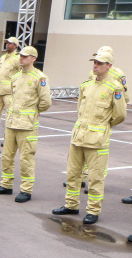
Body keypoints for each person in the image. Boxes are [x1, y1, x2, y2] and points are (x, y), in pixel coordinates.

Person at [52, 52, 127, 225]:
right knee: (73, 173)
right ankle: (71, 205)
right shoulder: (86, 85)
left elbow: (120, 115)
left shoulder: (114, 88)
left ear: (109, 66)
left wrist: (103, 127)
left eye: (100, 63)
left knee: (95, 177)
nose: (95, 65)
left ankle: (93, 211)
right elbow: (80, 109)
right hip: (78, 137)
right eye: (94, 62)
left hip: (97, 140)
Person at [0, 46, 50, 202]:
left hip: (27, 125)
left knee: (26, 159)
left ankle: (26, 190)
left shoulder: (39, 77)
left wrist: (34, 111)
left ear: (33, 59)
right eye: (21, 56)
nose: (21, 58)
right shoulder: (15, 77)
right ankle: (6, 185)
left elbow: (45, 102)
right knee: (7, 156)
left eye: (25, 56)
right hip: (12, 122)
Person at [0, 37, 22, 126]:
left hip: (9, 92)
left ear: (15, 45)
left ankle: (9, 131)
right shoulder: (2, 57)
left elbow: (21, 74)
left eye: (10, 43)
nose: (7, 45)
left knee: (10, 113)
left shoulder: (18, 58)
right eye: (7, 43)